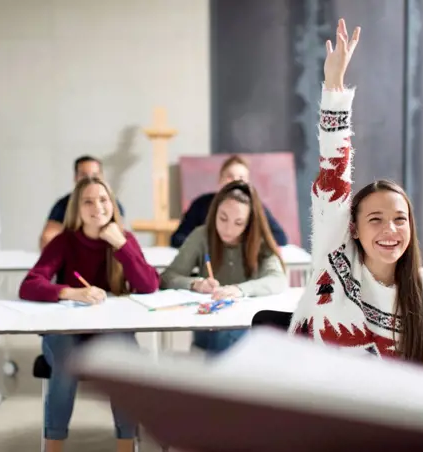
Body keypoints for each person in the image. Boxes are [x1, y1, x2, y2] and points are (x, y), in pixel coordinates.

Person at [256, 19, 423, 368]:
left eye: (399, 219)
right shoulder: (336, 260)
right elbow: (333, 175)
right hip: (317, 403)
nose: (390, 230)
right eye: (375, 219)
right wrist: (334, 88)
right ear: (353, 228)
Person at [19, 177, 159, 452]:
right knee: (67, 364)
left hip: (109, 332)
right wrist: (70, 292)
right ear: (78, 210)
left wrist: (121, 246)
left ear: (112, 205)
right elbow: (29, 284)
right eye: (88, 201)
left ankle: (126, 445)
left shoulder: (124, 239)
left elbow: (149, 284)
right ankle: (53, 446)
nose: (98, 206)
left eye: (103, 199)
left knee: (125, 364)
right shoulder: (64, 242)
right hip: (66, 331)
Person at [160, 180, 288, 354]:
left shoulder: (259, 240)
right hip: (208, 322)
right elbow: (168, 277)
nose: (228, 229)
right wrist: (195, 283)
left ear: (249, 222)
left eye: (238, 223)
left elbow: (278, 279)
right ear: (214, 212)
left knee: (228, 341)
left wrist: (239, 289)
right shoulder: (201, 235)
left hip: (243, 321)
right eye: (223, 218)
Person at [170, 155, 288, 248]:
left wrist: (246, 244)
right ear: (220, 179)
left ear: (248, 182)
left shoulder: (257, 207)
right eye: (230, 176)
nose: (235, 181)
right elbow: (178, 238)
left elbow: (280, 237)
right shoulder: (201, 204)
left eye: (241, 177)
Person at [40, 155, 125, 249]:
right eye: (88, 202)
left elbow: (119, 235)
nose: (97, 208)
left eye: (103, 200)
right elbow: (47, 238)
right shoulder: (63, 205)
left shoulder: (115, 204)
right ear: (75, 177)